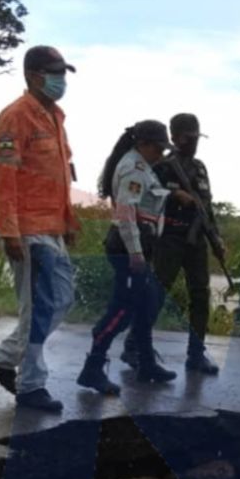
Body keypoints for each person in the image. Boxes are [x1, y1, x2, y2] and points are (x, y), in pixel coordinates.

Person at [0, 45, 80, 414]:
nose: (61, 80)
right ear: (34, 75)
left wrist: (68, 221)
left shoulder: (55, 117)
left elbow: (60, 176)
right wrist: (9, 231)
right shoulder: (15, 117)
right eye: (55, 73)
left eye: (63, 73)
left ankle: (2, 359)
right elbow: (4, 178)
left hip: (52, 228)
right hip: (28, 230)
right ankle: (31, 384)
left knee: (62, 300)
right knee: (37, 308)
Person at [77, 120, 179, 394]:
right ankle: (93, 367)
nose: (161, 154)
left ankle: (146, 363)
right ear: (143, 144)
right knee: (122, 310)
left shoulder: (144, 168)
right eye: (158, 148)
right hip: (127, 248)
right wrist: (135, 252)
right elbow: (125, 214)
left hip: (140, 246)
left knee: (148, 303)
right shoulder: (133, 169)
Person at [125, 112, 225, 374]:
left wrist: (216, 237)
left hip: (196, 239)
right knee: (157, 294)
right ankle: (133, 346)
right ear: (175, 137)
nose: (193, 143)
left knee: (200, 296)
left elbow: (207, 206)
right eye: (188, 138)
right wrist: (172, 194)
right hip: (169, 238)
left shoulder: (200, 167)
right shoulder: (161, 166)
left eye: (196, 137)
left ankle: (196, 353)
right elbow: (144, 196)